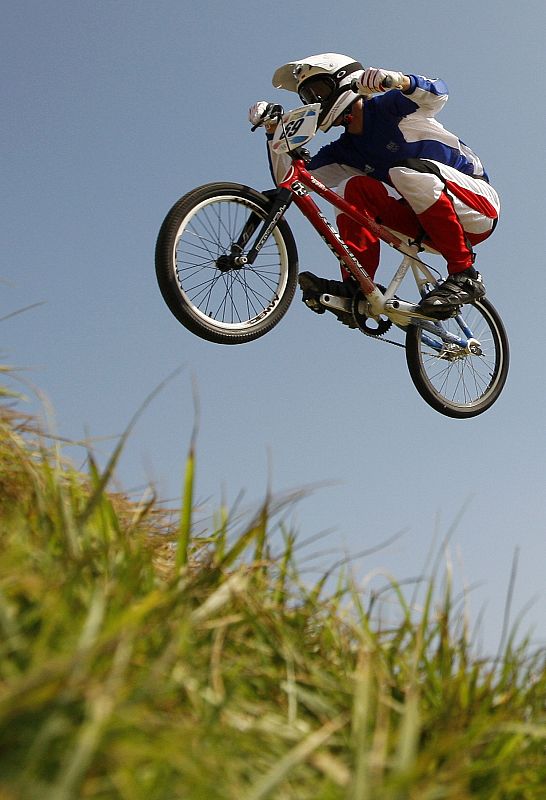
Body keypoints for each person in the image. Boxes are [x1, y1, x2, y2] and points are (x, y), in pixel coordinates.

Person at [249, 54, 500, 320]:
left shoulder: (391, 107)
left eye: (320, 91)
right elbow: (290, 181)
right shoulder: (343, 151)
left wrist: (398, 81)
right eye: (308, 97)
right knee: (348, 189)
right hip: (423, 228)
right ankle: (357, 287)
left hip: (476, 209)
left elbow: (438, 93)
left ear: (344, 81)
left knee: (404, 170)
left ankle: (465, 274)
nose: (316, 103)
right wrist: (272, 129)